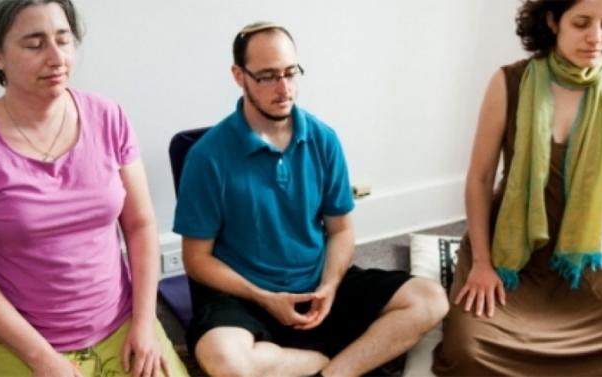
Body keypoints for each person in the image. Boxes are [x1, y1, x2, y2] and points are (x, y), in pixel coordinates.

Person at [172, 21, 449, 377]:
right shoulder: (207, 156)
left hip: (318, 288)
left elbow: (341, 231)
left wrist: (330, 286)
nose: (284, 88)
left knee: (431, 300)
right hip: (247, 298)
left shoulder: (323, 139)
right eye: (268, 76)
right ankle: (325, 360)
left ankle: (330, 373)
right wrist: (263, 297)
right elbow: (196, 259)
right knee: (223, 358)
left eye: (290, 73)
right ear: (239, 76)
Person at [0, 1, 189, 376]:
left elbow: (140, 226)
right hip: (23, 343)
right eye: (35, 44)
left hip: (122, 323)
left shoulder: (109, 117)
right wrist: (43, 359)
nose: (57, 58)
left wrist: (145, 324)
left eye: (63, 40)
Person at [432, 0, 602, 375]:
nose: (596, 37)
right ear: (553, 21)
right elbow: (479, 179)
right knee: (468, 352)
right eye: (582, 23)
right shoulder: (509, 81)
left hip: (578, 258)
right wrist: (481, 263)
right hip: (509, 257)